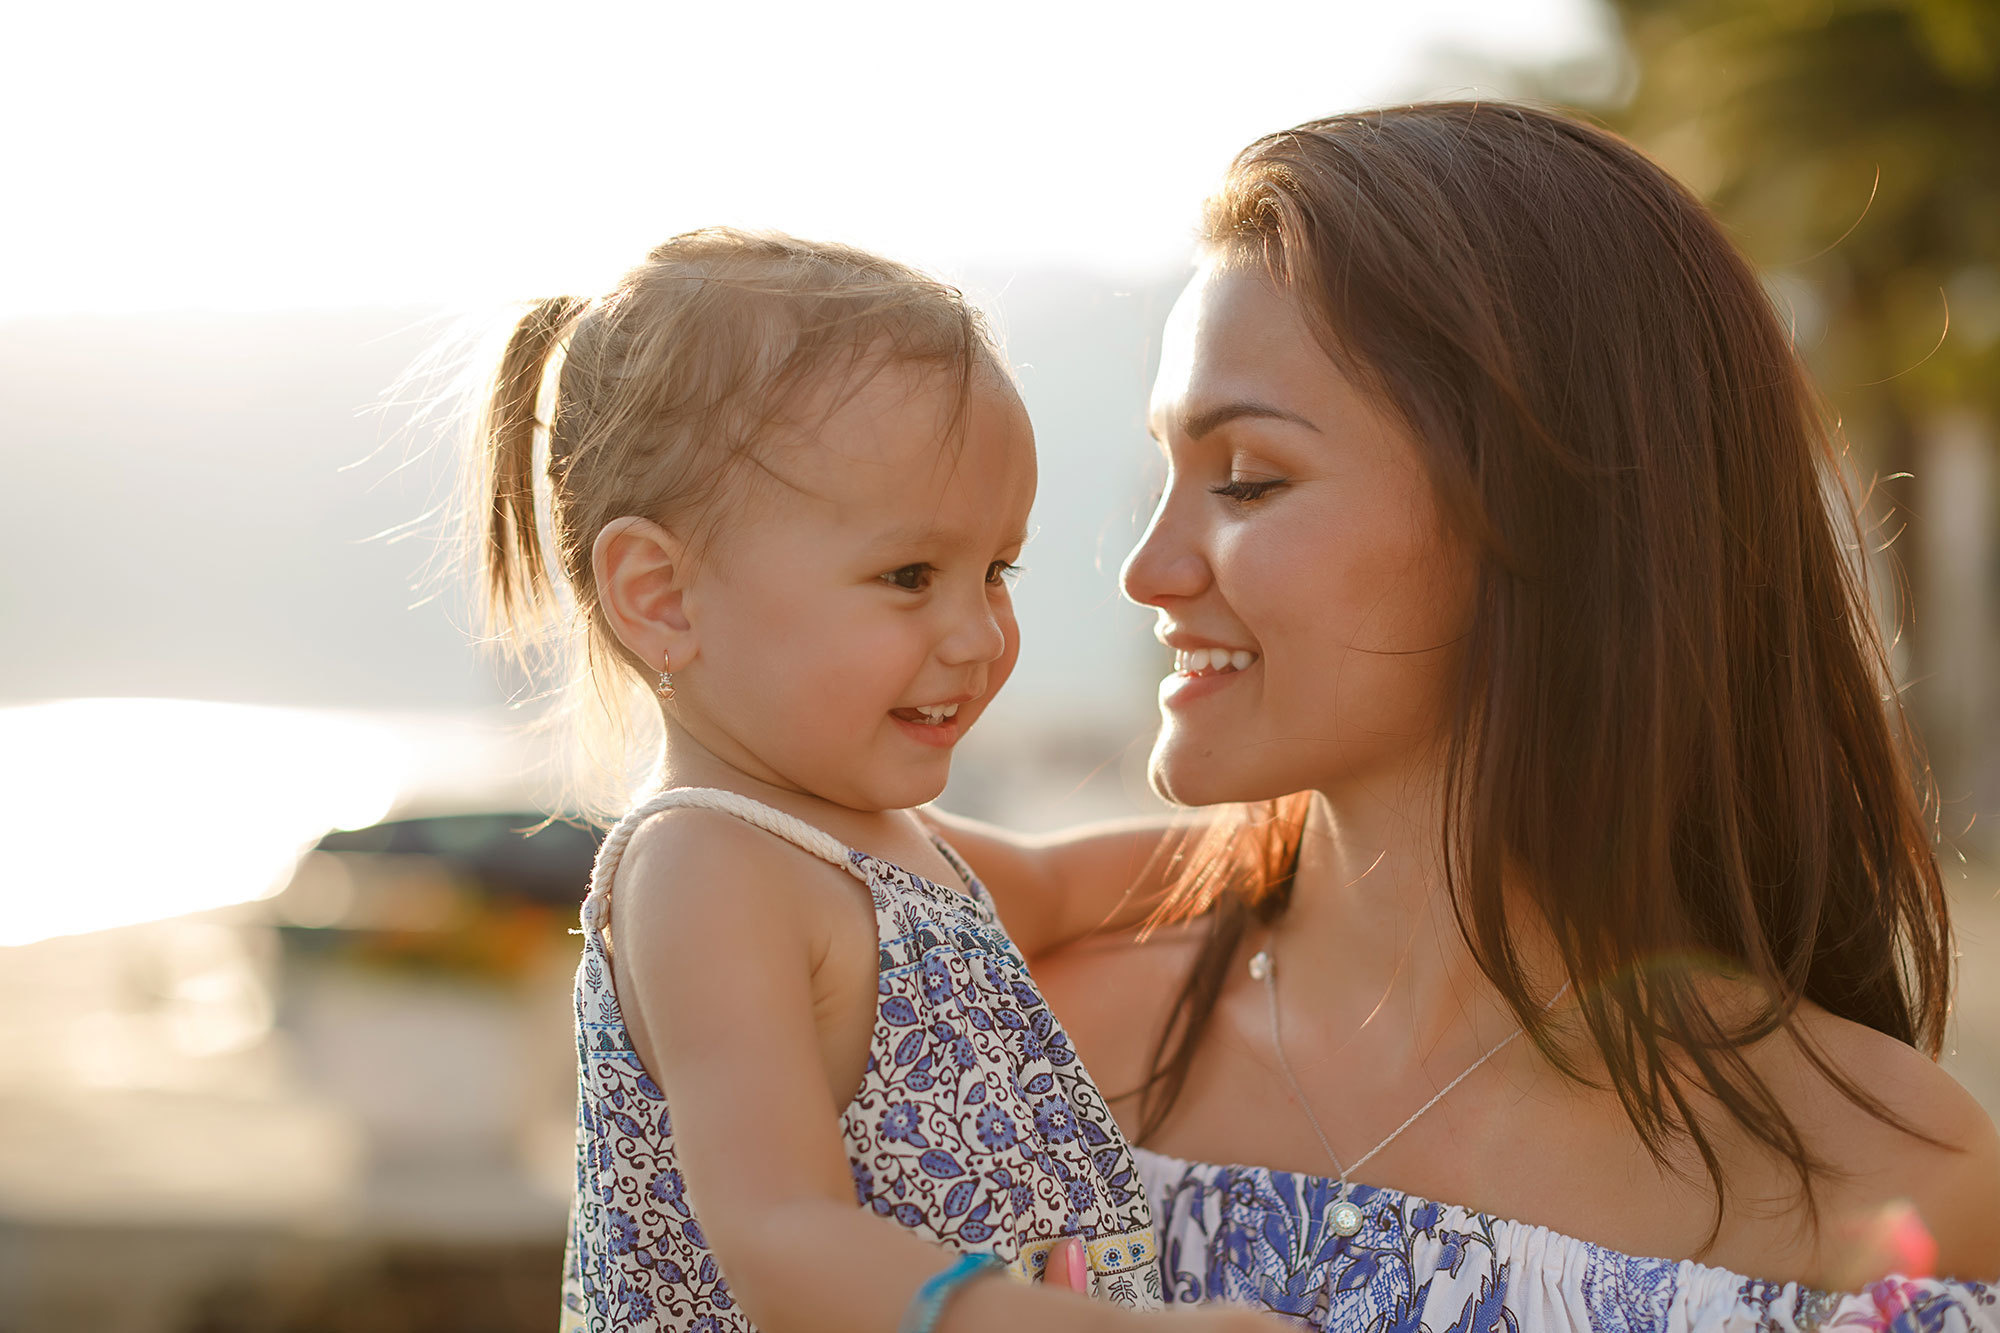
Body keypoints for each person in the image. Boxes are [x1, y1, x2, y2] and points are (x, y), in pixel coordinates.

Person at [933, 102, 2000, 1329]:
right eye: (1160, 473)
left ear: (1548, 520)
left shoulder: (1879, 1175)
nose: (1148, 567)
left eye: (1246, 479)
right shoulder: (1019, 1048)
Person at [471, 229, 1280, 1333]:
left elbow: (1065, 884)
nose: (978, 635)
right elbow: (783, 1236)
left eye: (992, 571)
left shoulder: (884, 846)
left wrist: (1310, 839)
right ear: (661, 595)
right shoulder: (707, 871)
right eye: (909, 575)